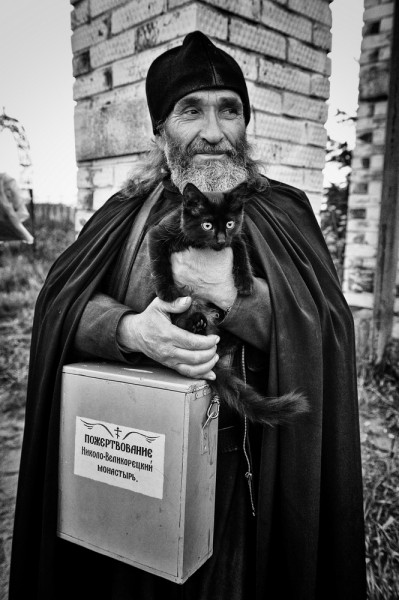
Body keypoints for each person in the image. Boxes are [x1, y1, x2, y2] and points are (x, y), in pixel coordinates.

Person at [9, 31, 366, 599]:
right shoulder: (122, 214)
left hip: (242, 490)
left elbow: (326, 329)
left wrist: (232, 295)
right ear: (160, 130)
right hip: (128, 469)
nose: (213, 131)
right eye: (190, 110)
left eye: (230, 110)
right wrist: (130, 330)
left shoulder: (283, 211)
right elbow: (62, 305)